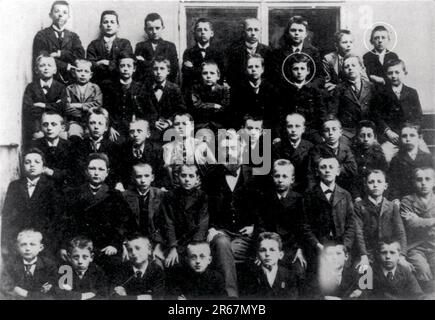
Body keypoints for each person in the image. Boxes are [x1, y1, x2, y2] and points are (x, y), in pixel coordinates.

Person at [203, 129, 261, 298]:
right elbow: (205, 208)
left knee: (223, 255)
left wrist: (254, 228)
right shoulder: (211, 176)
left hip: (245, 236)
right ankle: (232, 297)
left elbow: (263, 209)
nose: (229, 153)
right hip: (221, 232)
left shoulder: (254, 175)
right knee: (221, 243)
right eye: (225, 149)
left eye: (233, 148)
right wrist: (212, 228)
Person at [61, 153, 136, 276]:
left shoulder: (115, 195)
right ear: (86, 171)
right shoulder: (73, 194)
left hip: (105, 248)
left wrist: (115, 244)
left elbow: (123, 223)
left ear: (107, 172)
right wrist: (64, 245)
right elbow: (65, 223)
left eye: (101, 169)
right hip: (79, 248)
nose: (96, 173)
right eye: (92, 168)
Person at [302, 156, 356, 278]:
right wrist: (317, 245)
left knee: (346, 277)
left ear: (337, 171)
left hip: (340, 245)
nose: (327, 170)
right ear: (317, 171)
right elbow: (305, 225)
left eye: (331, 167)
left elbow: (351, 223)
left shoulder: (345, 195)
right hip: (319, 246)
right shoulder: (309, 195)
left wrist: (345, 246)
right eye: (323, 167)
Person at [1, 149, 60, 257]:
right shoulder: (15, 186)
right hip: (19, 239)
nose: (32, 165)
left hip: (44, 240)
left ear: (43, 167)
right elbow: (7, 215)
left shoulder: (51, 186)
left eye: (37, 162)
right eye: (27, 162)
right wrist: (7, 241)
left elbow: (55, 216)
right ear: (23, 166)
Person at [257, 160, 306, 278]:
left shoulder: (299, 199)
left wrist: (299, 249)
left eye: (285, 176)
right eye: (277, 176)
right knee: (260, 271)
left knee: (299, 272)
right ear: (272, 177)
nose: (280, 180)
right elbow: (261, 226)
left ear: (292, 179)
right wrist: (259, 250)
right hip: (269, 247)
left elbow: (302, 227)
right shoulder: (265, 198)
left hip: (291, 247)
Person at [375, 59, 426, 163]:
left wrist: (410, 132)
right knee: (385, 157)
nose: (393, 76)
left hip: (410, 136)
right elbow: (376, 116)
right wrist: (388, 132)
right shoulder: (380, 93)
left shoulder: (411, 92)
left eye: (397, 72)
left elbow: (418, 116)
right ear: (386, 75)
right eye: (390, 73)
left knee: (425, 156)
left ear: (404, 73)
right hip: (391, 138)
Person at [354, 169, 407, 266]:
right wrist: (363, 255)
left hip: (387, 252)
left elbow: (400, 232)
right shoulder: (359, 206)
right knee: (363, 275)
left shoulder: (392, 206)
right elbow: (358, 233)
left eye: (379, 181)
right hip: (367, 252)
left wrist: (402, 255)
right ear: (365, 185)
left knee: (400, 272)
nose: (375, 185)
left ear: (385, 186)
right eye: (371, 182)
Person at [161, 164, 209, 270]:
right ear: (178, 177)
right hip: (177, 242)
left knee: (197, 260)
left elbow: (203, 223)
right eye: (183, 175)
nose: (187, 179)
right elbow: (168, 223)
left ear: (197, 179)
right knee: (174, 263)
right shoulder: (169, 196)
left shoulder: (202, 196)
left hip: (196, 241)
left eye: (191, 176)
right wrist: (173, 247)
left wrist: (194, 245)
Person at [32, 0, 85, 85]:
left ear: (68, 16)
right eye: (57, 11)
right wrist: (66, 66)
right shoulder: (42, 35)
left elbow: (80, 56)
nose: (60, 15)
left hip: (71, 81)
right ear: (50, 15)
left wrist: (61, 54)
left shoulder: (74, 36)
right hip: (49, 81)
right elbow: (43, 59)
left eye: (64, 12)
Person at [279, 53, 327, 144]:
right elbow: (280, 114)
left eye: (302, 68)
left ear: (308, 71)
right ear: (291, 70)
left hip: (310, 130)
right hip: (290, 130)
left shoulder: (314, 90)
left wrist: (322, 133)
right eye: (295, 69)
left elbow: (321, 113)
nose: (299, 72)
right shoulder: (285, 91)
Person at [401, 167, 435, 293]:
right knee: (422, 270)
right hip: (415, 246)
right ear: (414, 182)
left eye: (428, 179)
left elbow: (416, 222)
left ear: (434, 182)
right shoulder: (407, 201)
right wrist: (432, 221)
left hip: (433, 245)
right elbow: (411, 224)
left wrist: (419, 220)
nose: (424, 183)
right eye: (419, 179)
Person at [122, 163, 166, 260]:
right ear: (133, 178)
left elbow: (164, 224)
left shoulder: (160, 195)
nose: (143, 180)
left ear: (152, 177)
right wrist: (124, 244)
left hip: (154, 241)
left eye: (146, 176)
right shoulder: (125, 196)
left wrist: (158, 246)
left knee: (158, 263)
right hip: (132, 241)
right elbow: (122, 224)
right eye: (138, 176)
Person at [329, 53, 376, 142]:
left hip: (367, 132)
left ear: (362, 69)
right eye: (347, 66)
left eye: (353, 65)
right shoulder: (339, 89)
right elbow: (333, 112)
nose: (350, 68)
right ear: (343, 70)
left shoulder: (371, 87)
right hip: (347, 133)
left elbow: (376, 113)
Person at [23, 54, 67, 146]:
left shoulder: (61, 87)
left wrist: (43, 105)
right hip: (38, 125)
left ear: (55, 70)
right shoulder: (31, 88)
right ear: (36, 70)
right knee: (38, 138)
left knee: (63, 137)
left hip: (56, 125)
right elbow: (29, 108)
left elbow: (63, 107)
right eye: (42, 65)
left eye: (49, 65)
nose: (46, 68)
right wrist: (54, 105)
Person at [239, 232, 299, 299]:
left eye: (272, 250)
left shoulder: (289, 276)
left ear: (280, 255)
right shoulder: (250, 276)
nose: (267, 254)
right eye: (262, 250)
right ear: (257, 255)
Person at [100, 54, 146, 141]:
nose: (125, 69)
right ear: (118, 68)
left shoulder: (140, 88)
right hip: (116, 127)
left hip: (134, 126)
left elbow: (145, 111)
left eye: (129, 66)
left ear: (134, 69)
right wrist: (110, 127)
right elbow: (106, 109)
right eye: (122, 66)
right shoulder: (110, 87)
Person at [0, 229, 57, 299]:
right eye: (23, 244)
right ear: (18, 247)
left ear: (40, 247)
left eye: (32, 244)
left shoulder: (48, 265)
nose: (27, 248)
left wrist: (26, 293)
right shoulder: (11, 265)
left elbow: (52, 290)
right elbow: (7, 288)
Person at [307, 115, 357, 191]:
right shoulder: (317, 150)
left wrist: (333, 167)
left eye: (334, 129)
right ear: (322, 134)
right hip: (322, 187)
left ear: (340, 132)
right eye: (327, 130)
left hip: (343, 187)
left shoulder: (346, 149)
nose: (330, 133)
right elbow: (312, 171)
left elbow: (352, 168)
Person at [116, 119, 169, 190]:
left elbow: (161, 173)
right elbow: (119, 172)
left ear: (148, 134)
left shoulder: (156, 150)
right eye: (132, 131)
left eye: (139, 131)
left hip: (151, 188)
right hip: (129, 188)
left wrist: (161, 187)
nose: (135, 134)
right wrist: (119, 183)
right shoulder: (123, 149)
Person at [142, 57, 186, 141]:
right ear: (152, 70)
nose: (158, 72)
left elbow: (181, 109)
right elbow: (141, 110)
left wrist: (169, 122)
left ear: (168, 71)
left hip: (170, 127)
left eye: (162, 68)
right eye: (155, 69)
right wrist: (152, 122)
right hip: (151, 127)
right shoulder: (145, 88)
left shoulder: (174, 88)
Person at [271, 15, 322, 87]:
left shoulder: (313, 52)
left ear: (306, 34)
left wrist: (307, 86)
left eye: (300, 30)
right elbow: (275, 77)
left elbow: (319, 76)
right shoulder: (278, 52)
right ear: (288, 32)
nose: (296, 33)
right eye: (293, 30)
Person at [388, 122, 434, 200]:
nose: (408, 139)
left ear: (419, 137)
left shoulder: (428, 158)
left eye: (412, 135)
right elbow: (393, 186)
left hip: (425, 200)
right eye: (404, 136)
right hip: (404, 200)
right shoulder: (396, 160)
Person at [111, 233, 165, 300]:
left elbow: (157, 298)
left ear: (149, 249)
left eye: (138, 248)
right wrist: (144, 297)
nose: (133, 253)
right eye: (130, 250)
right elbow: (115, 297)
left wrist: (126, 297)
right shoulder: (122, 269)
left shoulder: (156, 270)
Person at [86, 10, 133, 84]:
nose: (109, 25)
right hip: (98, 83)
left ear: (118, 26)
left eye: (112, 22)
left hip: (119, 83)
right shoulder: (93, 44)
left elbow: (126, 64)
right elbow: (89, 65)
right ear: (100, 26)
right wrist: (113, 64)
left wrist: (105, 62)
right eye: (105, 22)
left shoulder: (125, 43)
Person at [30, 111, 75, 188]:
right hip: (41, 188)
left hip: (64, 189)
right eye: (45, 124)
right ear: (41, 127)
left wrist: (52, 172)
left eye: (53, 124)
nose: (49, 128)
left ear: (62, 127)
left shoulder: (71, 146)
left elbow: (73, 173)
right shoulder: (34, 146)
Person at [272, 113, 313, 193]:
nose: (293, 130)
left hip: (303, 189)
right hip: (282, 189)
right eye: (290, 126)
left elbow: (310, 175)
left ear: (303, 129)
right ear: (286, 128)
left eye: (297, 126)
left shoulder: (310, 147)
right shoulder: (277, 147)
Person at [225, 18, 271, 87]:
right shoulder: (233, 51)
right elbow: (230, 76)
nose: (253, 33)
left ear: (260, 32)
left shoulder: (268, 51)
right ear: (244, 32)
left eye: (256, 30)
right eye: (249, 29)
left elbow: (270, 76)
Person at [181, 18, 225, 91]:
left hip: (213, 92)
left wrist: (193, 69)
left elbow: (220, 74)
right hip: (193, 91)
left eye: (205, 29)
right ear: (194, 33)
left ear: (211, 33)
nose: (202, 32)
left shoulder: (218, 53)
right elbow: (187, 74)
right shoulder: (189, 52)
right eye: (199, 30)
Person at [134, 13, 179, 83]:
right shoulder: (140, 46)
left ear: (162, 28)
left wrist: (145, 63)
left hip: (165, 86)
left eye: (157, 28)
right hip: (146, 86)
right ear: (145, 30)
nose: (154, 32)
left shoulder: (170, 46)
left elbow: (174, 70)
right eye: (150, 29)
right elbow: (137, 72)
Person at [65, 59, 102, 139]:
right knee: (74, 135)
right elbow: (67, 107)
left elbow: (98, 104)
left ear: (91, 75)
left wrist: (79, 106)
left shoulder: (95, 88)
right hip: (75, 121)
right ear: (74, 73)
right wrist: (82, 114)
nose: (82, 74)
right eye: (79, 71)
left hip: (92, 121)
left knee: (91, 136)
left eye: (86, 71)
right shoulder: (69, 88)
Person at [350, 120, 388, 200]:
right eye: (362, 135)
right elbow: (351, 179)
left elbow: (385, 177)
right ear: (357, 137)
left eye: (369, 135)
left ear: (374, 137)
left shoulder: (379, 155)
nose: (366, 139)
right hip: (356, 194)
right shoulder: (352, 153)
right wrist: (356, 196)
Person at [188, 61, 230, 132]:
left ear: (218, 76)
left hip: (219, 125)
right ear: (201, 76)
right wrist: (213, 105)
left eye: (212, 73)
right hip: (201, 125)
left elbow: (225, 107)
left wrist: (205, 106)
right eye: (205, 73)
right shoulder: (195, 89)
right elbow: (197, 106)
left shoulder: (224, 90)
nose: (208, 76)